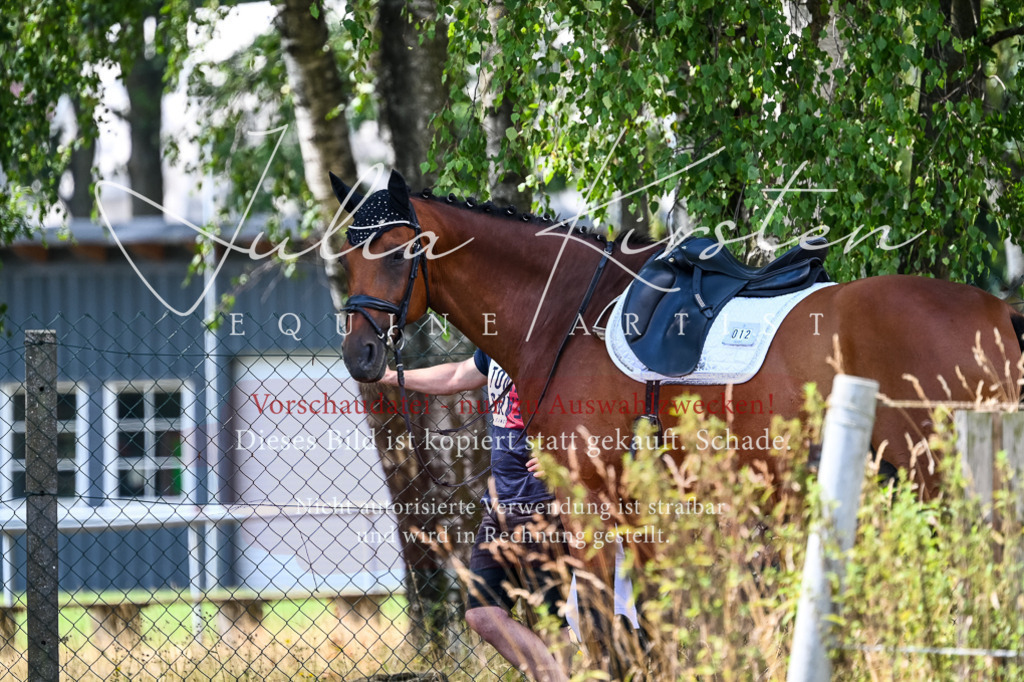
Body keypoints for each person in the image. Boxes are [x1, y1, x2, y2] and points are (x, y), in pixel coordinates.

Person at [379, 350, 572, 682]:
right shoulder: (498, 343)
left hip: (547, 504)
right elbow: (456, 375)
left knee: (559, 626)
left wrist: (573, 452)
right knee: (483, 614)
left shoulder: (565, 337)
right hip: (500, 503)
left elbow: (612, 403)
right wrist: (390, 376)